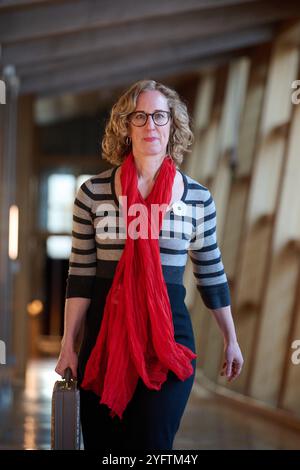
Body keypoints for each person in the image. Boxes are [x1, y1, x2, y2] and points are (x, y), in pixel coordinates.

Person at [55, 79, 244, 450]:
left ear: (173, 124)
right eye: (139, 116)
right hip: (105, 341)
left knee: (153, 442)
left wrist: (231, 339)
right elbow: (80, 275)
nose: (150, 126)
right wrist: (69, 344)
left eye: (159, 116)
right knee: (105, 446)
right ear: (126, 126)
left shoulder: (197, 198)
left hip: (169, 340)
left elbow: (210, 270)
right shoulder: (92, 194)